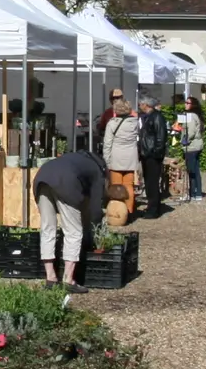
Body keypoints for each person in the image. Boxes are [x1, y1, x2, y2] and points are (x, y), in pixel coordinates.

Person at [33, 150, 106, 286]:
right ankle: (68, 279)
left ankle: (50, 277)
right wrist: (95, 229)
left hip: (41, 176)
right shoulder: (98, 170)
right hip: (65, 181)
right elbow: (95, 207)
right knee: (73, 231)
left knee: (48, 228)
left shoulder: (76, 159)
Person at [101, 97, 141, 222]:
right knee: (129, 185)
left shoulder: (112, 123)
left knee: (116, 187)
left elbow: (107, 144)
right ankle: (129, 212)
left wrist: (106, 160)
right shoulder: (135, 122)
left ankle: (118, 213)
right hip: (131, 156)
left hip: (116, 156)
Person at [136, 95, 171, 218]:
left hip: (152, 155)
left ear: (147, 105)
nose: (139, 106)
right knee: (149, 182)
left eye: (141, 103)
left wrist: (156, 153)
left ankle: (154, 209)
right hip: (147, 154)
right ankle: (152, 206)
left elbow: (161, 136)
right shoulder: (148, 117)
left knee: (153, 182)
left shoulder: (156, 117)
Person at [179, 96, 206, 201]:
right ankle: (197, 192)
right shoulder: (195, 115)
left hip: (191, 146)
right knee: (195, 170)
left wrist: (184, 140)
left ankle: (193, 193)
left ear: (192, 105)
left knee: (191, 170)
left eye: (188, 103)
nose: (185, 104)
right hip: (197, 145)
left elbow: (191, 131)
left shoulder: (190, 116)